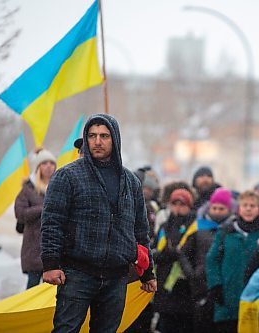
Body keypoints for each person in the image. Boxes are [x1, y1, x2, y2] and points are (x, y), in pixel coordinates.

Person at [40, 114, 157, 333]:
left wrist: (147, 271)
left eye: (104, 136)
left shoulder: (130, 181)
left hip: (116, 276)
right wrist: (50, 264)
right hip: (77, 273)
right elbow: (52, 223)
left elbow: (140, 231)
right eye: (92, 136)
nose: (97, 141)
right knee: (66, 330)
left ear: (115, 140)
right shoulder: (67, 176)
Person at [206, 190, 259, 333]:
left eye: (252, 206)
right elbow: (212, 260)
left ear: (258, 209)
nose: (248, 209)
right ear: (238, 208)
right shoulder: (225, 232)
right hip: (228, 299)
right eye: (244, 205)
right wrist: (215, 285)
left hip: (256, 300)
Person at [178, 187, 235, 333]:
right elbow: (184, 252)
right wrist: (192, 273)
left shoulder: (233, 229)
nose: (217, 211)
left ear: (229, 209)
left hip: (225, 287)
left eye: (221, 208)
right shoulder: (199, 226)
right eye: (214, 207)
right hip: (201, 286)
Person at [152, 188, 196, 333]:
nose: (178, 208)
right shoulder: (165, 226)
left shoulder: (194, 228)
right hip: (165, 284)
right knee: (166, 324)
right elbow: (156, 250)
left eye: (182, 204)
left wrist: (175, 253)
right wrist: (169, 253)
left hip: (184, 286)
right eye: (175, 204)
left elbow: (190, 252)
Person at [15, 148, 57, 289]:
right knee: (32, 290)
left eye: (52, 163)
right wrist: (42, 208)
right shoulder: (28, 190)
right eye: (45, 163)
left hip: (54, 250)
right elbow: (20, 214)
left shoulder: (59, 188)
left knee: (50, 293)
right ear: (38, 167)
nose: (49, 166)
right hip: (33, 249)